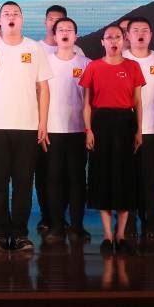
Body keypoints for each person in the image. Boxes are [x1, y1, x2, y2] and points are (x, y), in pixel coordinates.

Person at [0, 1, 51, 253]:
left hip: (27, 126)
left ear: (22, 19)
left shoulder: (33, 48)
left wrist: (42, 122)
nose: (11, 17)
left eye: (15, 13)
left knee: (23, 183)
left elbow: (43, 88)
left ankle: (19, 234)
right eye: (6, 13)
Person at [80, 24, 144, 253]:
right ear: (103, 42)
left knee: (125, 178)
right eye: (109, 37)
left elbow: (138, 103)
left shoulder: (133, 66)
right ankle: (107, 235)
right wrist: (89, 130)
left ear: (124, 40)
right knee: (102, 177)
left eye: (117, 37)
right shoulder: (93, 67)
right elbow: (87, 104)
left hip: (126, 124)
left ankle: (121, 234)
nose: (113, 41)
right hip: (101, 124)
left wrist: (139, 130)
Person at [44, 17, 90, 243]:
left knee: (77, 180)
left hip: (78, 130)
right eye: (60, 29)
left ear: (75, 36)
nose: (65, 33)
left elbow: (90, 100)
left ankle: (77, 226)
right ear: (54, 36)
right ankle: (56, 226)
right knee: (54, 180)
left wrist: (89, 128)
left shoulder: (86, 63)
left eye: (69, 29)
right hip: (51, 129)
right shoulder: (45, 62)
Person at [122, 17, 154, 239]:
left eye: (145, 30)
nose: (140, 34)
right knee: (127, 178)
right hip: (125, 130)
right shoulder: (120, 58)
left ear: (151, 35)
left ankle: (152, 222)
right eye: (136, 30)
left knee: (152, 179)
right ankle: (127, 223)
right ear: (127, 35)